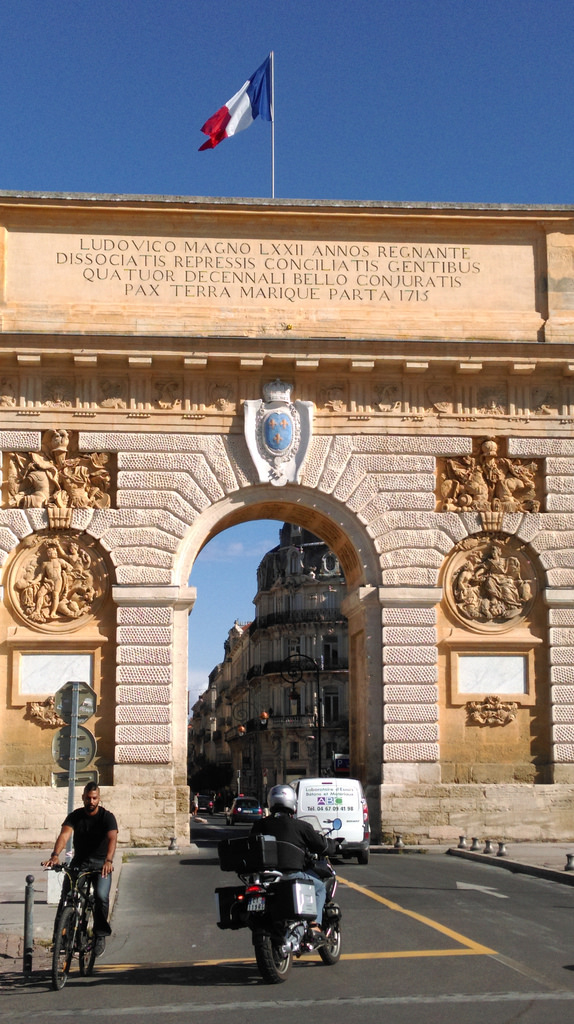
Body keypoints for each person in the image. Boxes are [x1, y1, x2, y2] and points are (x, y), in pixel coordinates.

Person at [43, 782, 118, 957]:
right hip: (80, 863)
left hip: (101, 864)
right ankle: (61, 938)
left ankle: (99, 935)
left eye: (94, 798)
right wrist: (55, 855)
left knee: (101, 896)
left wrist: (108, 860)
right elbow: (64, 835)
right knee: (67, 895)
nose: (91, 801)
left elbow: (112, 839)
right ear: (83, 797)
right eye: (88, 798)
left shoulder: (107, 817)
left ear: (99, 798)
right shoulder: (75, 816)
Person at [250, 784, 328, 931]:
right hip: (291, 874)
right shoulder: (301, 826)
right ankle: (314, 925)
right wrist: (333, 845)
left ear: (271, 802)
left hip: (265, 877)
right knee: (320, 888)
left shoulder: (259, 825)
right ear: (292, 802)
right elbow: (320, 845)